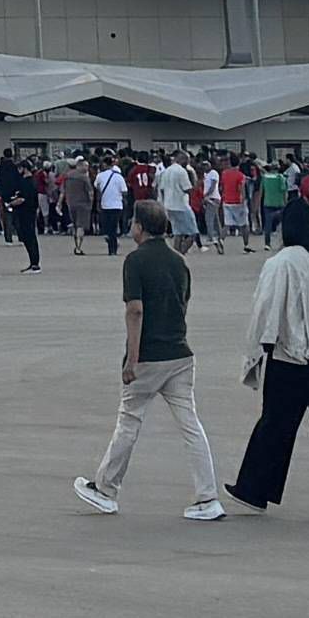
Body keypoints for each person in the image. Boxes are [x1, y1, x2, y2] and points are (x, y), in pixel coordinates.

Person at [74, 199, 229, 519]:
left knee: (129, 421)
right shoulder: (178, 260)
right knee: (191, 425)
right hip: (180, 353)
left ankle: (106, 489)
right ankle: (207, 497)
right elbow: (183, 302)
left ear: (140, 228)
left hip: (149, 356)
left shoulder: (135, 261)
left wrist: (132, 360)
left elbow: (135, 310)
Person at [226, 199, 309, 519]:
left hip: (296, 356)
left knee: (276, 423)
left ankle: (254, 489)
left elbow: (266, 311)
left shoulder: (284, 261)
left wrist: (258, 351)